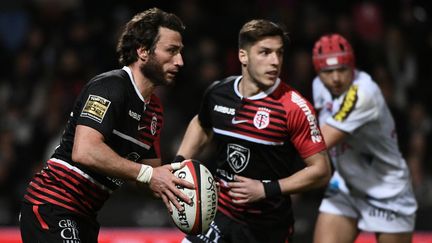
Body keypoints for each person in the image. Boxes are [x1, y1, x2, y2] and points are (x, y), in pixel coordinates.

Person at [19, 8, 194, 242]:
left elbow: (150, 178)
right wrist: (149, 174)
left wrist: (185, 182)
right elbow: (85, 151)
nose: (180, 61)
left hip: (85, 216)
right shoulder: (110, 87)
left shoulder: (154, 112)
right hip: (52, 205)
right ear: (143, 51)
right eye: (171, 51)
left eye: (180, 52)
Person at [175, 19, 331, 243]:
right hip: (220, 215)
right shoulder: (219, 92)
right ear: (243, 56)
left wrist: (265, 189)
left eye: (279, 53)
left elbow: (321, 171)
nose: (275, 61)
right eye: (265, 53)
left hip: (267, 229)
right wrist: (180, 162)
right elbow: (201, 124)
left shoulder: (294, 108)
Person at [311, 34, 418, 243]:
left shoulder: (363, 93)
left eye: (342, 70)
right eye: (328, 71)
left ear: (352, 66)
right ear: (318, 72)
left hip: (388, 190)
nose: (335, 78)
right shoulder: (318, 86)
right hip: (346, 186)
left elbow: (319, 141)